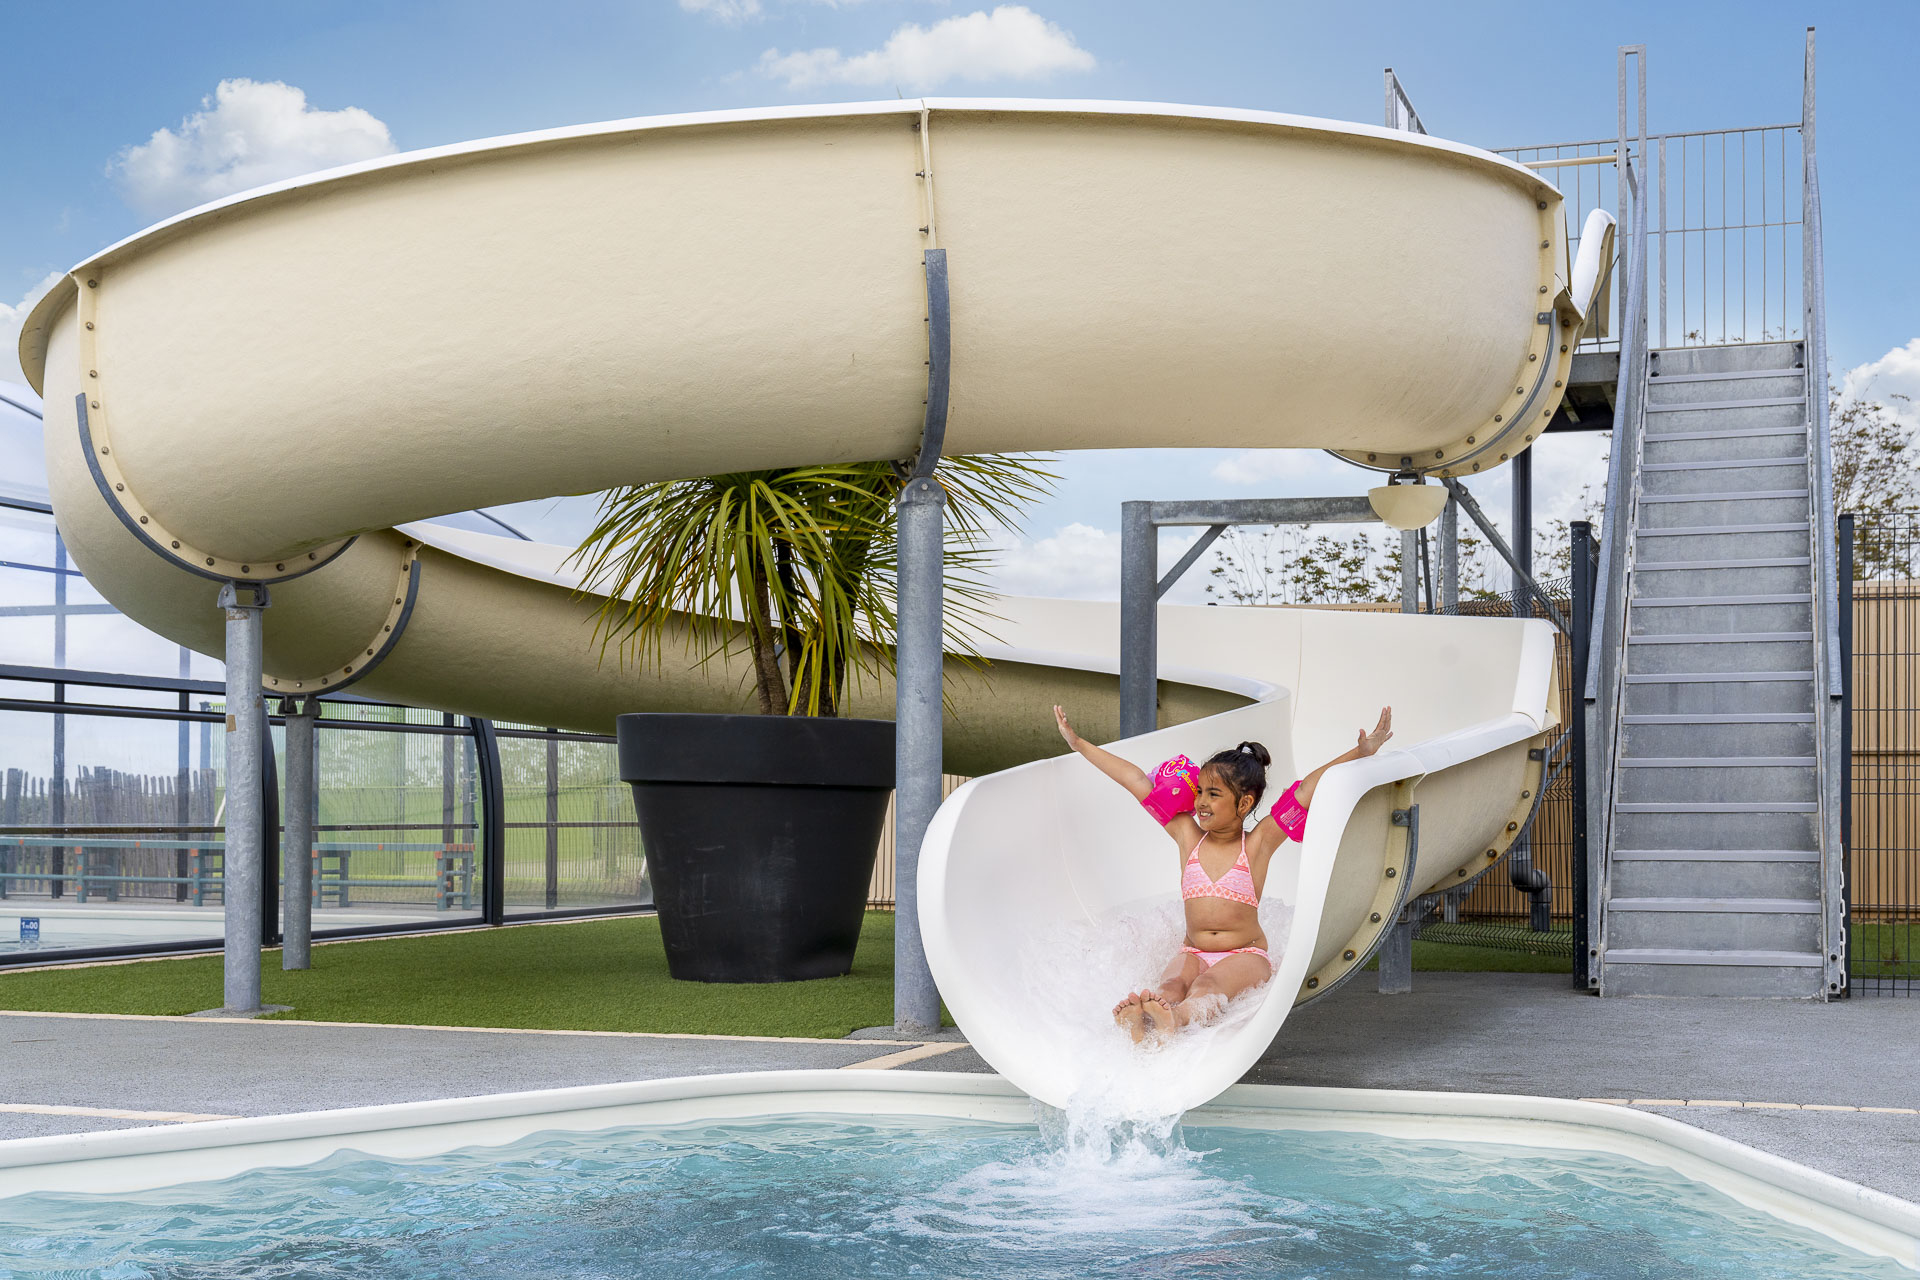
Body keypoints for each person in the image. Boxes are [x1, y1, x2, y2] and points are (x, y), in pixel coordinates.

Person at [1052, 704, 1394, 1043]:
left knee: (1207, 986)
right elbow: (1137, 780)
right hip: (1193, 951)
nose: (1200, 801)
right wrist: (1079, 743)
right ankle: (1149, 1017)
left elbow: (1305, 792)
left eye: (1213, 794)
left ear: (1243, 804)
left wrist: (1360, 752)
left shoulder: (1259, 843)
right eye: (1200, 791)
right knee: (1170, 986)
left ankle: (1176, 1018)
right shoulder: (1187, 836)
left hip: (1245, 955)